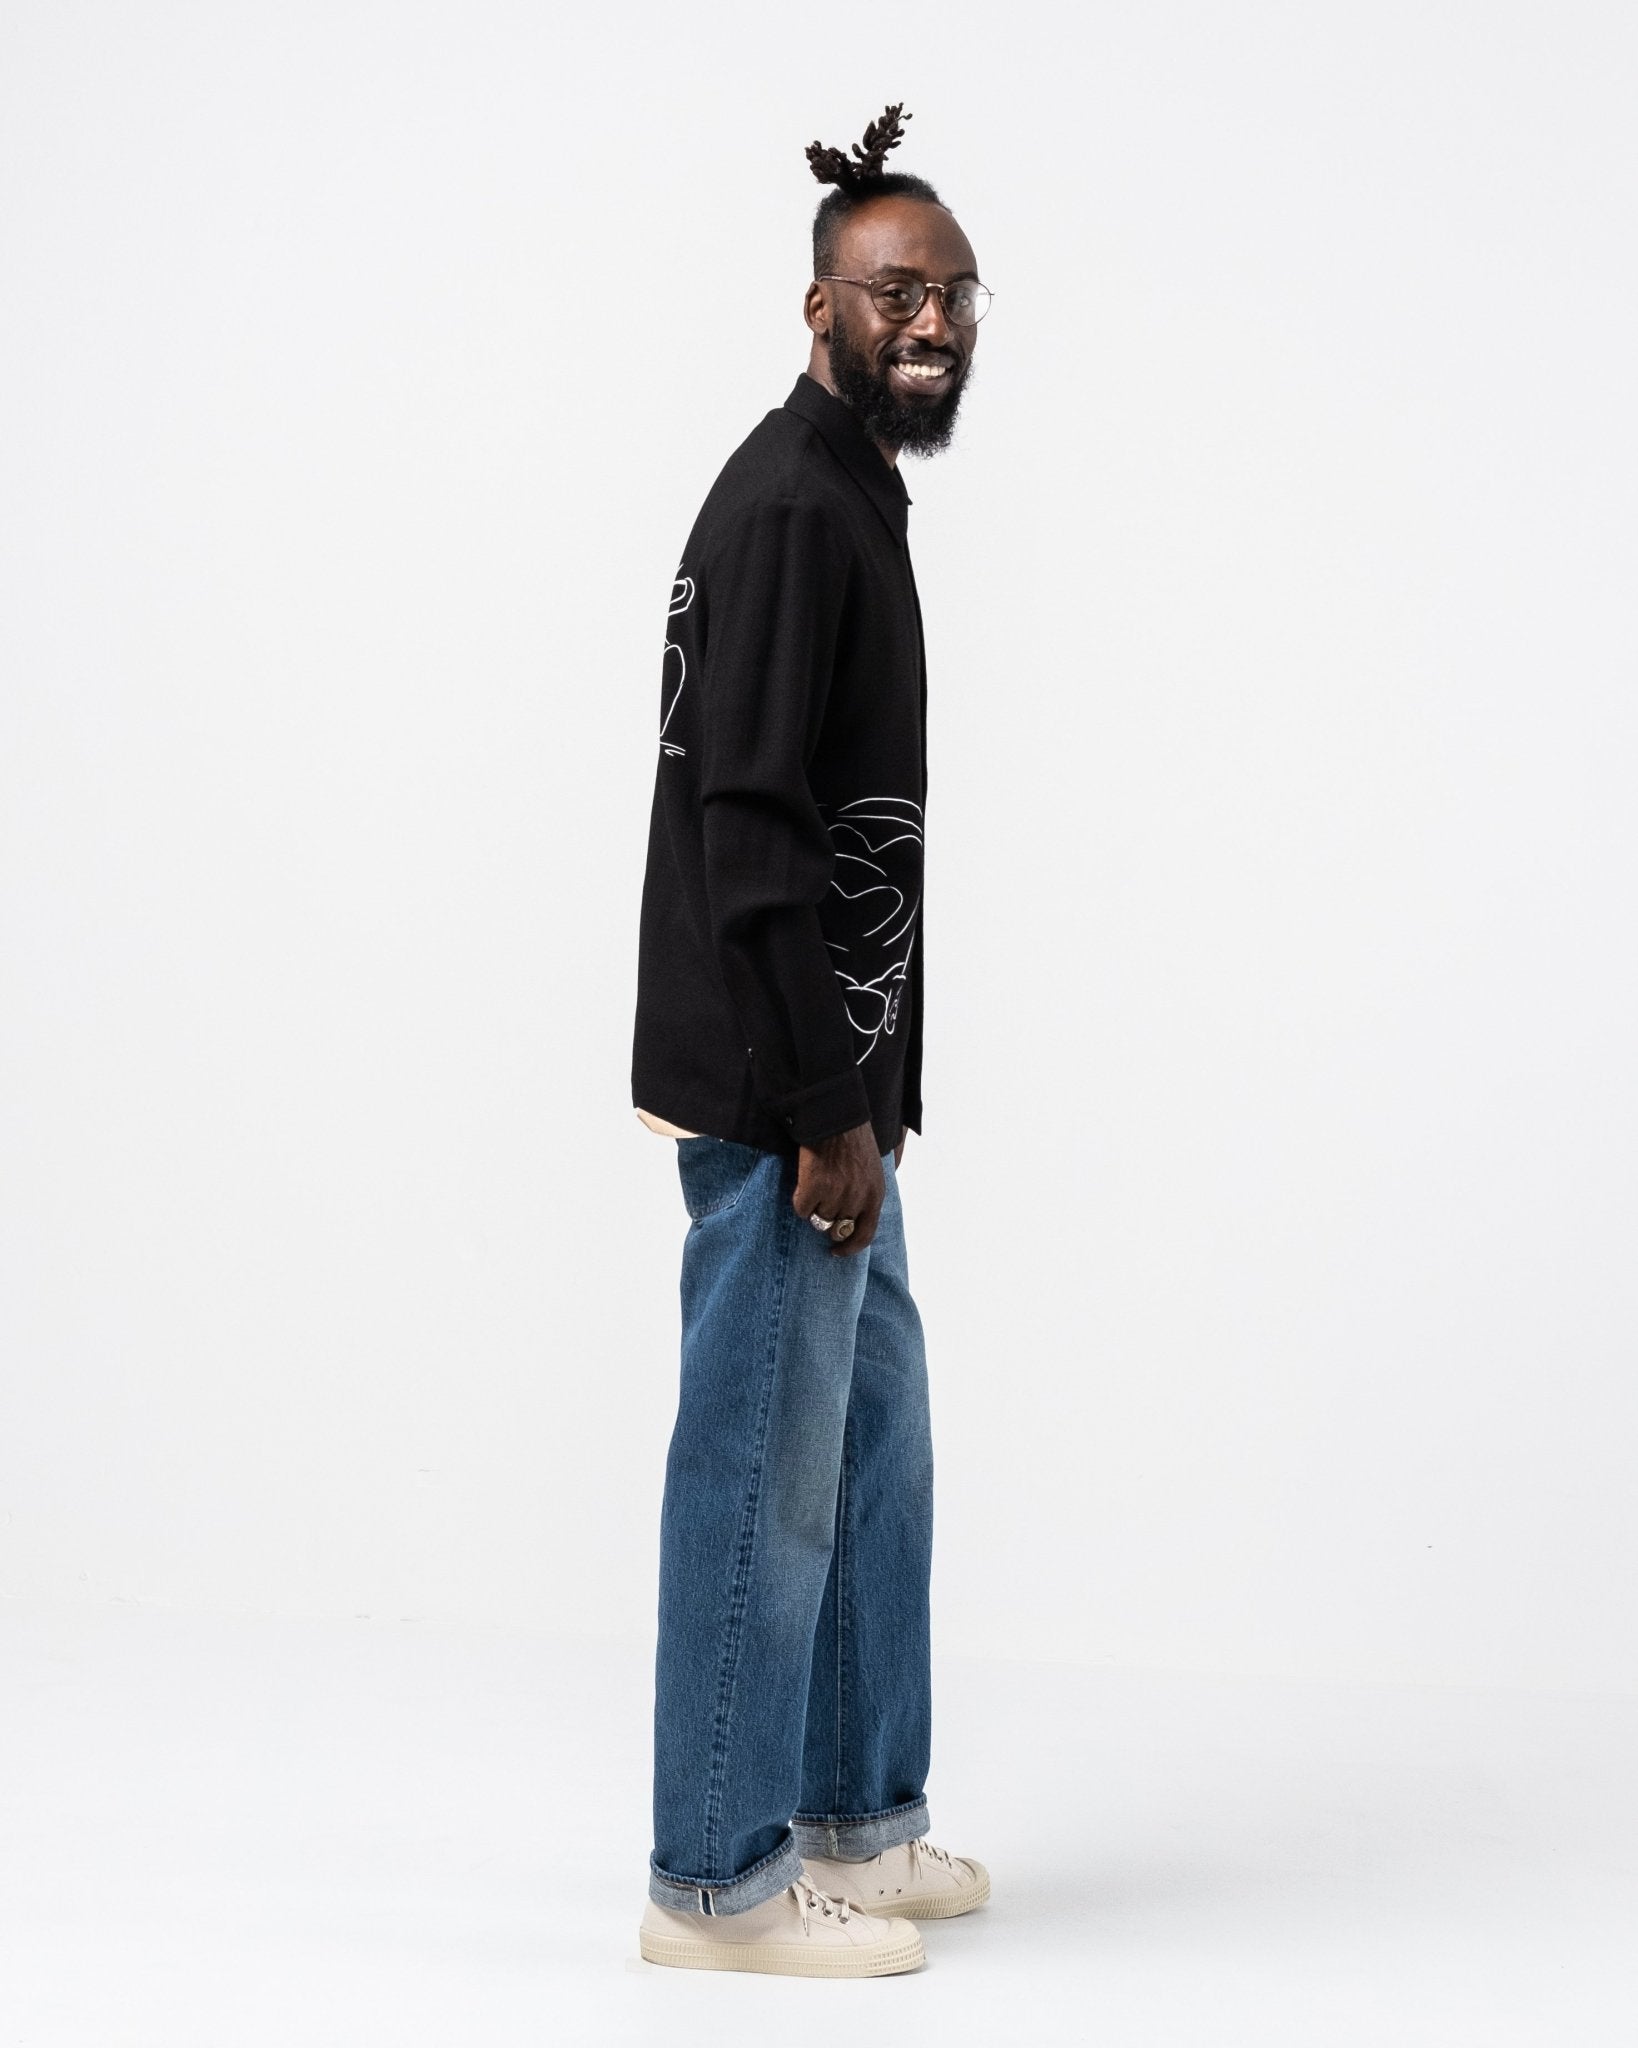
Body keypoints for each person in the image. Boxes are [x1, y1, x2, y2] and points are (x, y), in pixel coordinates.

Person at [630, 103, 993, 1979]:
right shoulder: (791, 507)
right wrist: (826, 1110)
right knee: (765, 1470)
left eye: (953, 293)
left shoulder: (849, 492)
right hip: (791, 1096)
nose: (928, 321)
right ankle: (716, 1885)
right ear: (817, 307)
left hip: (839, 1089)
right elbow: (753, 831)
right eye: (892, 292)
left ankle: (857, 1821)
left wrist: (869, 1099)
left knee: (870, 1452)